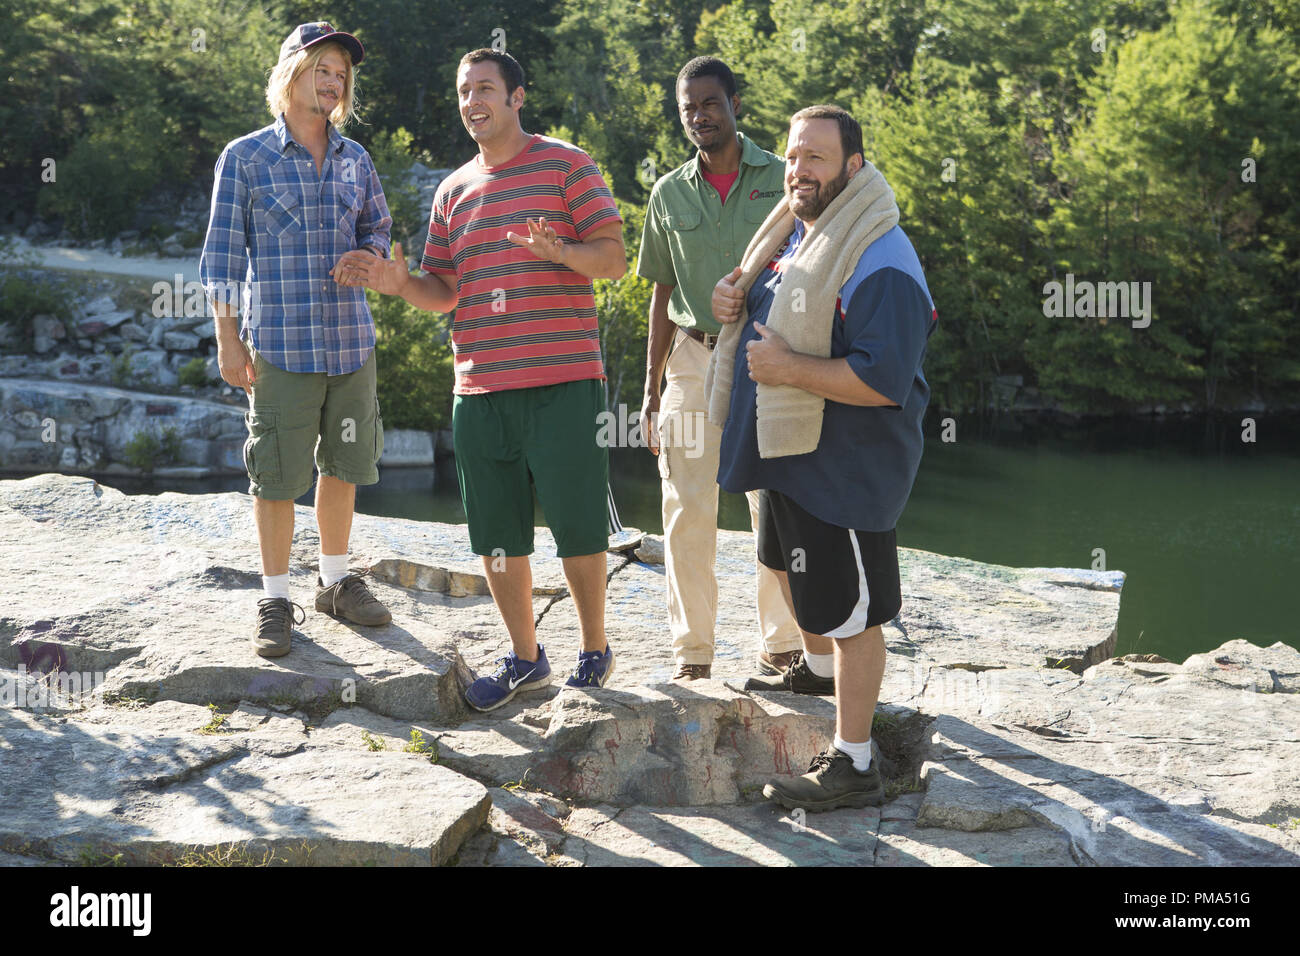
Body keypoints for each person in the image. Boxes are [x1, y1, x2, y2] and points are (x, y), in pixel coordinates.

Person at [337, 49, 625, 711]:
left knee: (579, 525)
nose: (474, 102)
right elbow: (444, 291)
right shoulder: (452, 191)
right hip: (480, 390)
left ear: (517, 97)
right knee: (497, 536)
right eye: (465, 91)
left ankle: (593, 649)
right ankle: (527, 659)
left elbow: (613, 258)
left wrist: (563, 253)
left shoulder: (566, 164)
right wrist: (398, 282)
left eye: (486, 89)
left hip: (563, 381)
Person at [709, 105, 937, 810]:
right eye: (792, 155)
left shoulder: (880, 258)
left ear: (854, 167)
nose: (798, 169)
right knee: (787, 569)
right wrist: (732, 301)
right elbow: (774, 310)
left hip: (845, 470)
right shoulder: (799, 236)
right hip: (790, 457)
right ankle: (814, 672)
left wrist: (786, 368)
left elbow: (881, 381)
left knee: (854, 616)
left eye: (816, 157)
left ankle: (856, 763)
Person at [200, 22, 394, 659]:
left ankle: (335, 582)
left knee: (344, 466)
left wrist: (369, 254)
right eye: (322, 68)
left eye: (341, 72)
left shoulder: (355, 159)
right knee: (277, 478)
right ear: (289, 75)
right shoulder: (245, 157)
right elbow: (221, 262)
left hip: (351, 344)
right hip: (280, 346)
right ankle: (276, 597)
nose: (334, 80)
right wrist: (229, 341)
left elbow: (379, 228)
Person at [635, 56, 804, 683]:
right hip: (689, 356)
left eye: (710, 103)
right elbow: (659, 292)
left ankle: (782, 644)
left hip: (766, 358)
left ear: (735, 104)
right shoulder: (668, 192)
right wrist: (652, 393)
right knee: (685, 504)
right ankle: (692, 654)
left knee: (774, 503)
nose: (699, 117)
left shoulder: (783, 181)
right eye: (688, 109)